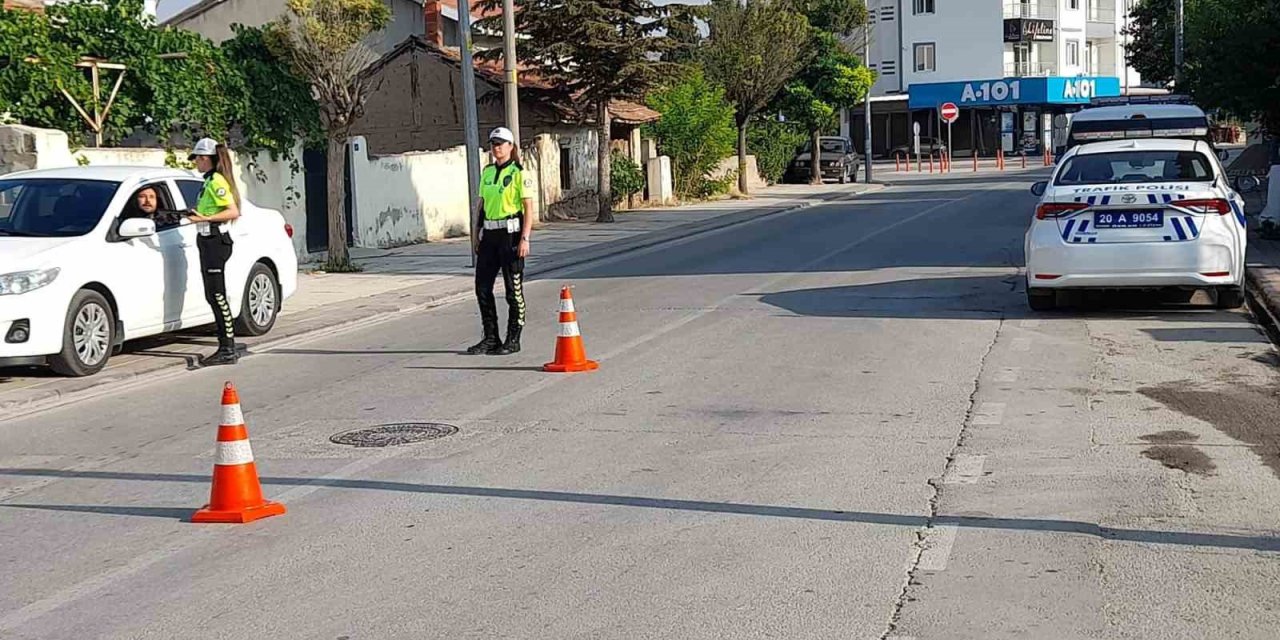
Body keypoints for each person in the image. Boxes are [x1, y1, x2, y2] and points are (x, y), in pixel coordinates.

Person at [467, 127, 534, 356]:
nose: (496, 148)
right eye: (493, 143)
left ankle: (513, 339)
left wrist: (525, 238)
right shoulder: (487, 172)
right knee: (482, 288)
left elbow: (528, 208)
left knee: (512, 290)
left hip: (511, 235)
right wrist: (476, 234)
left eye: (501, 143)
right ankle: (490, 337)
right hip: (490, 236)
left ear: (510, 146)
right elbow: (481, 206)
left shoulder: (519, 173)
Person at [186, 138, 242, 366]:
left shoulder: (217, 181)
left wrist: (205, 218)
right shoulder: (207, 181)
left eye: (199, 159)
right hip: (207, 238)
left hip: (216, 240)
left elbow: (233, 211)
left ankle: (227, 348)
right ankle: (225, 346)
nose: (196, 163)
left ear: (208, 159)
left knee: (218, 295)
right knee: (212, 295)